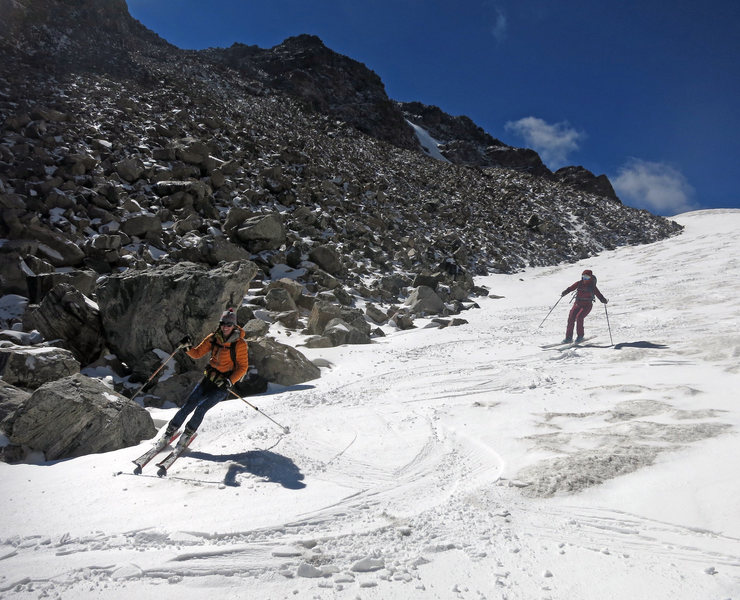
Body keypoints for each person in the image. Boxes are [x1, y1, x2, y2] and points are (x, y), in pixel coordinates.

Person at [161, 307, 248, 448]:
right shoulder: (213, 338)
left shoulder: (240, 344)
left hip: (222, 386)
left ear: (234, 325)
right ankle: (169, 432)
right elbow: (197, 353)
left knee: (201, 408)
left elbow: (242, 367)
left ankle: (187, 434)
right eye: (223, 323)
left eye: (229, 324)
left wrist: (229, 381)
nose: (225, 327)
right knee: (188, 405)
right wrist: (187, 347)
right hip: (208, 380)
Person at [561, 269, 608, 343]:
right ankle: (568, 338)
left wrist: (603, 300)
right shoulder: (579, 283)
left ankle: (580, 336)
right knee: (571, 318)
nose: (584, 279)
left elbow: (598, 294)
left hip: (587, 305)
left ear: (590, 277)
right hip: (577, 304)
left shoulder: (592, 286)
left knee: (579, 317)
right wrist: (565, 292)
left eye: (587, 277)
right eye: (583, 276)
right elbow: (571, 288)